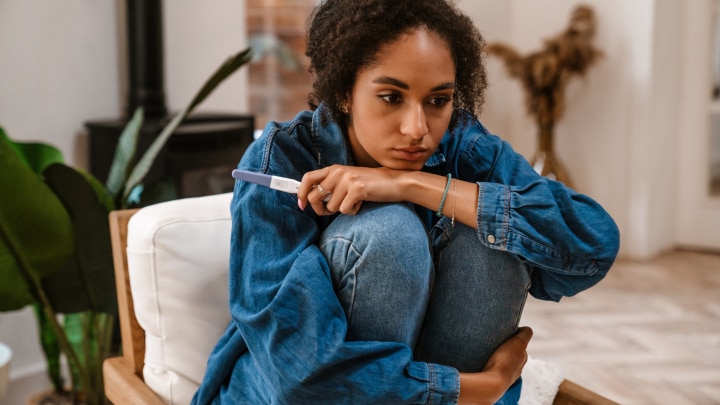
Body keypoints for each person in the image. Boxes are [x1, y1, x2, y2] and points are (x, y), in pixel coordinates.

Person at [191, 0, 620, 404]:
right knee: (390, 235)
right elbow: (297, 372)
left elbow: (594, 243)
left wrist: (409, 184)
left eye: (438, 101)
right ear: (344, 92)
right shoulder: (281, 158)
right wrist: (473, 391)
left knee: (491, 245)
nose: (417, 129)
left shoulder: (462, 146)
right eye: (391, 97)